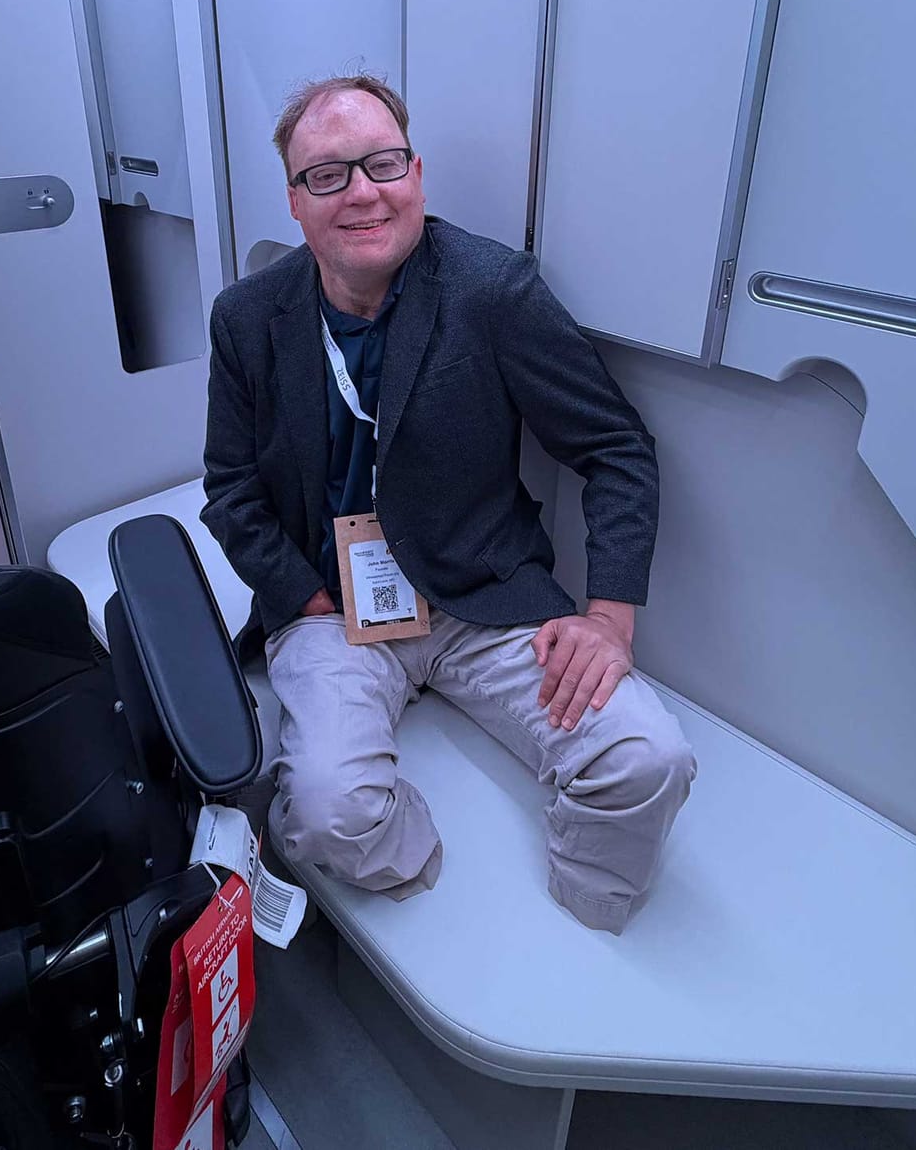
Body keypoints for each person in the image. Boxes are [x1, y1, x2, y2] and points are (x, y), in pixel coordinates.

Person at [202, 73, 695, 933]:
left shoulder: (491, 290)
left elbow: (616, 447)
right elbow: (231, 486)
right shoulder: (247, 318)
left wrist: (610, 617)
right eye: (328, 174)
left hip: (483, 599)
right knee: (323, 812)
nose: (361, 191)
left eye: (381, 163)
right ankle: (431, 879)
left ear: (417, 174)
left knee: (646, 759)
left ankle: (584, 914)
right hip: (330, 606)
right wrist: (304, 595)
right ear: (294, 201)